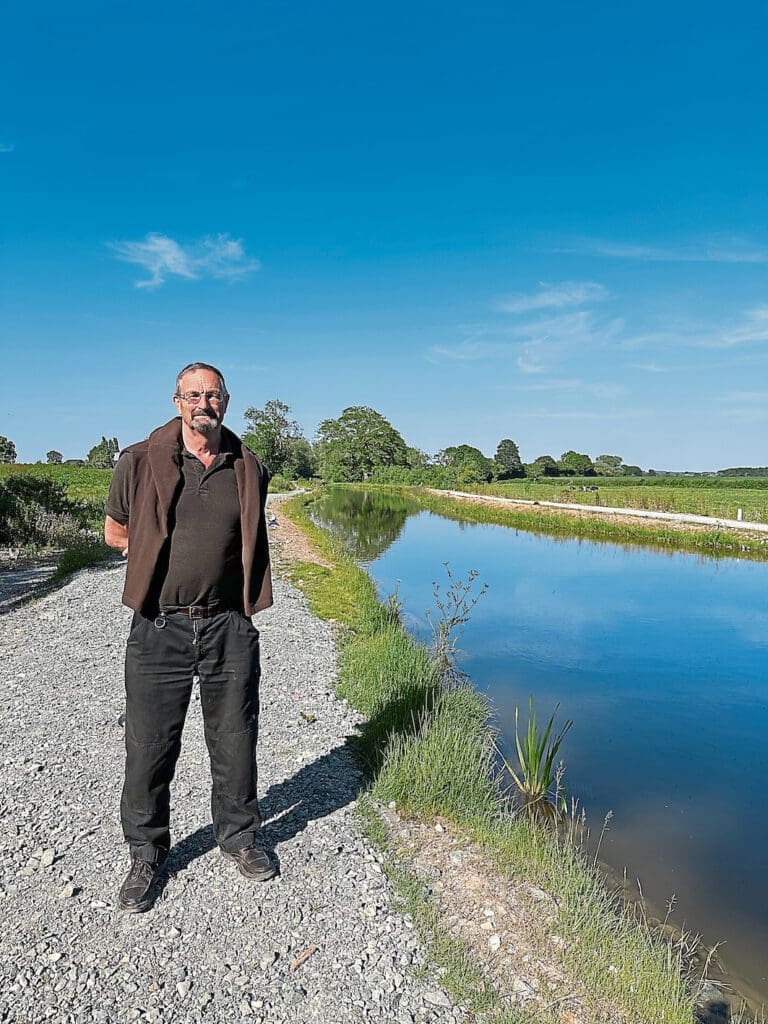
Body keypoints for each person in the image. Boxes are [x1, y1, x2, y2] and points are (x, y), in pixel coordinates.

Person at [104, 362, 275, 913]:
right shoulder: (137, 460)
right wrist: (152, 555)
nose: (204, 403)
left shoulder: (248, 466)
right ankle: (146, 853)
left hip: (228, 623)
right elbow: (115, 533)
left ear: (226, 400)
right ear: (177, 401)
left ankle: (240, 836)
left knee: (234, 736)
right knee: (150, 742)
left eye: (213, 394)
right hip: (160, 624)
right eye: (193, 394)